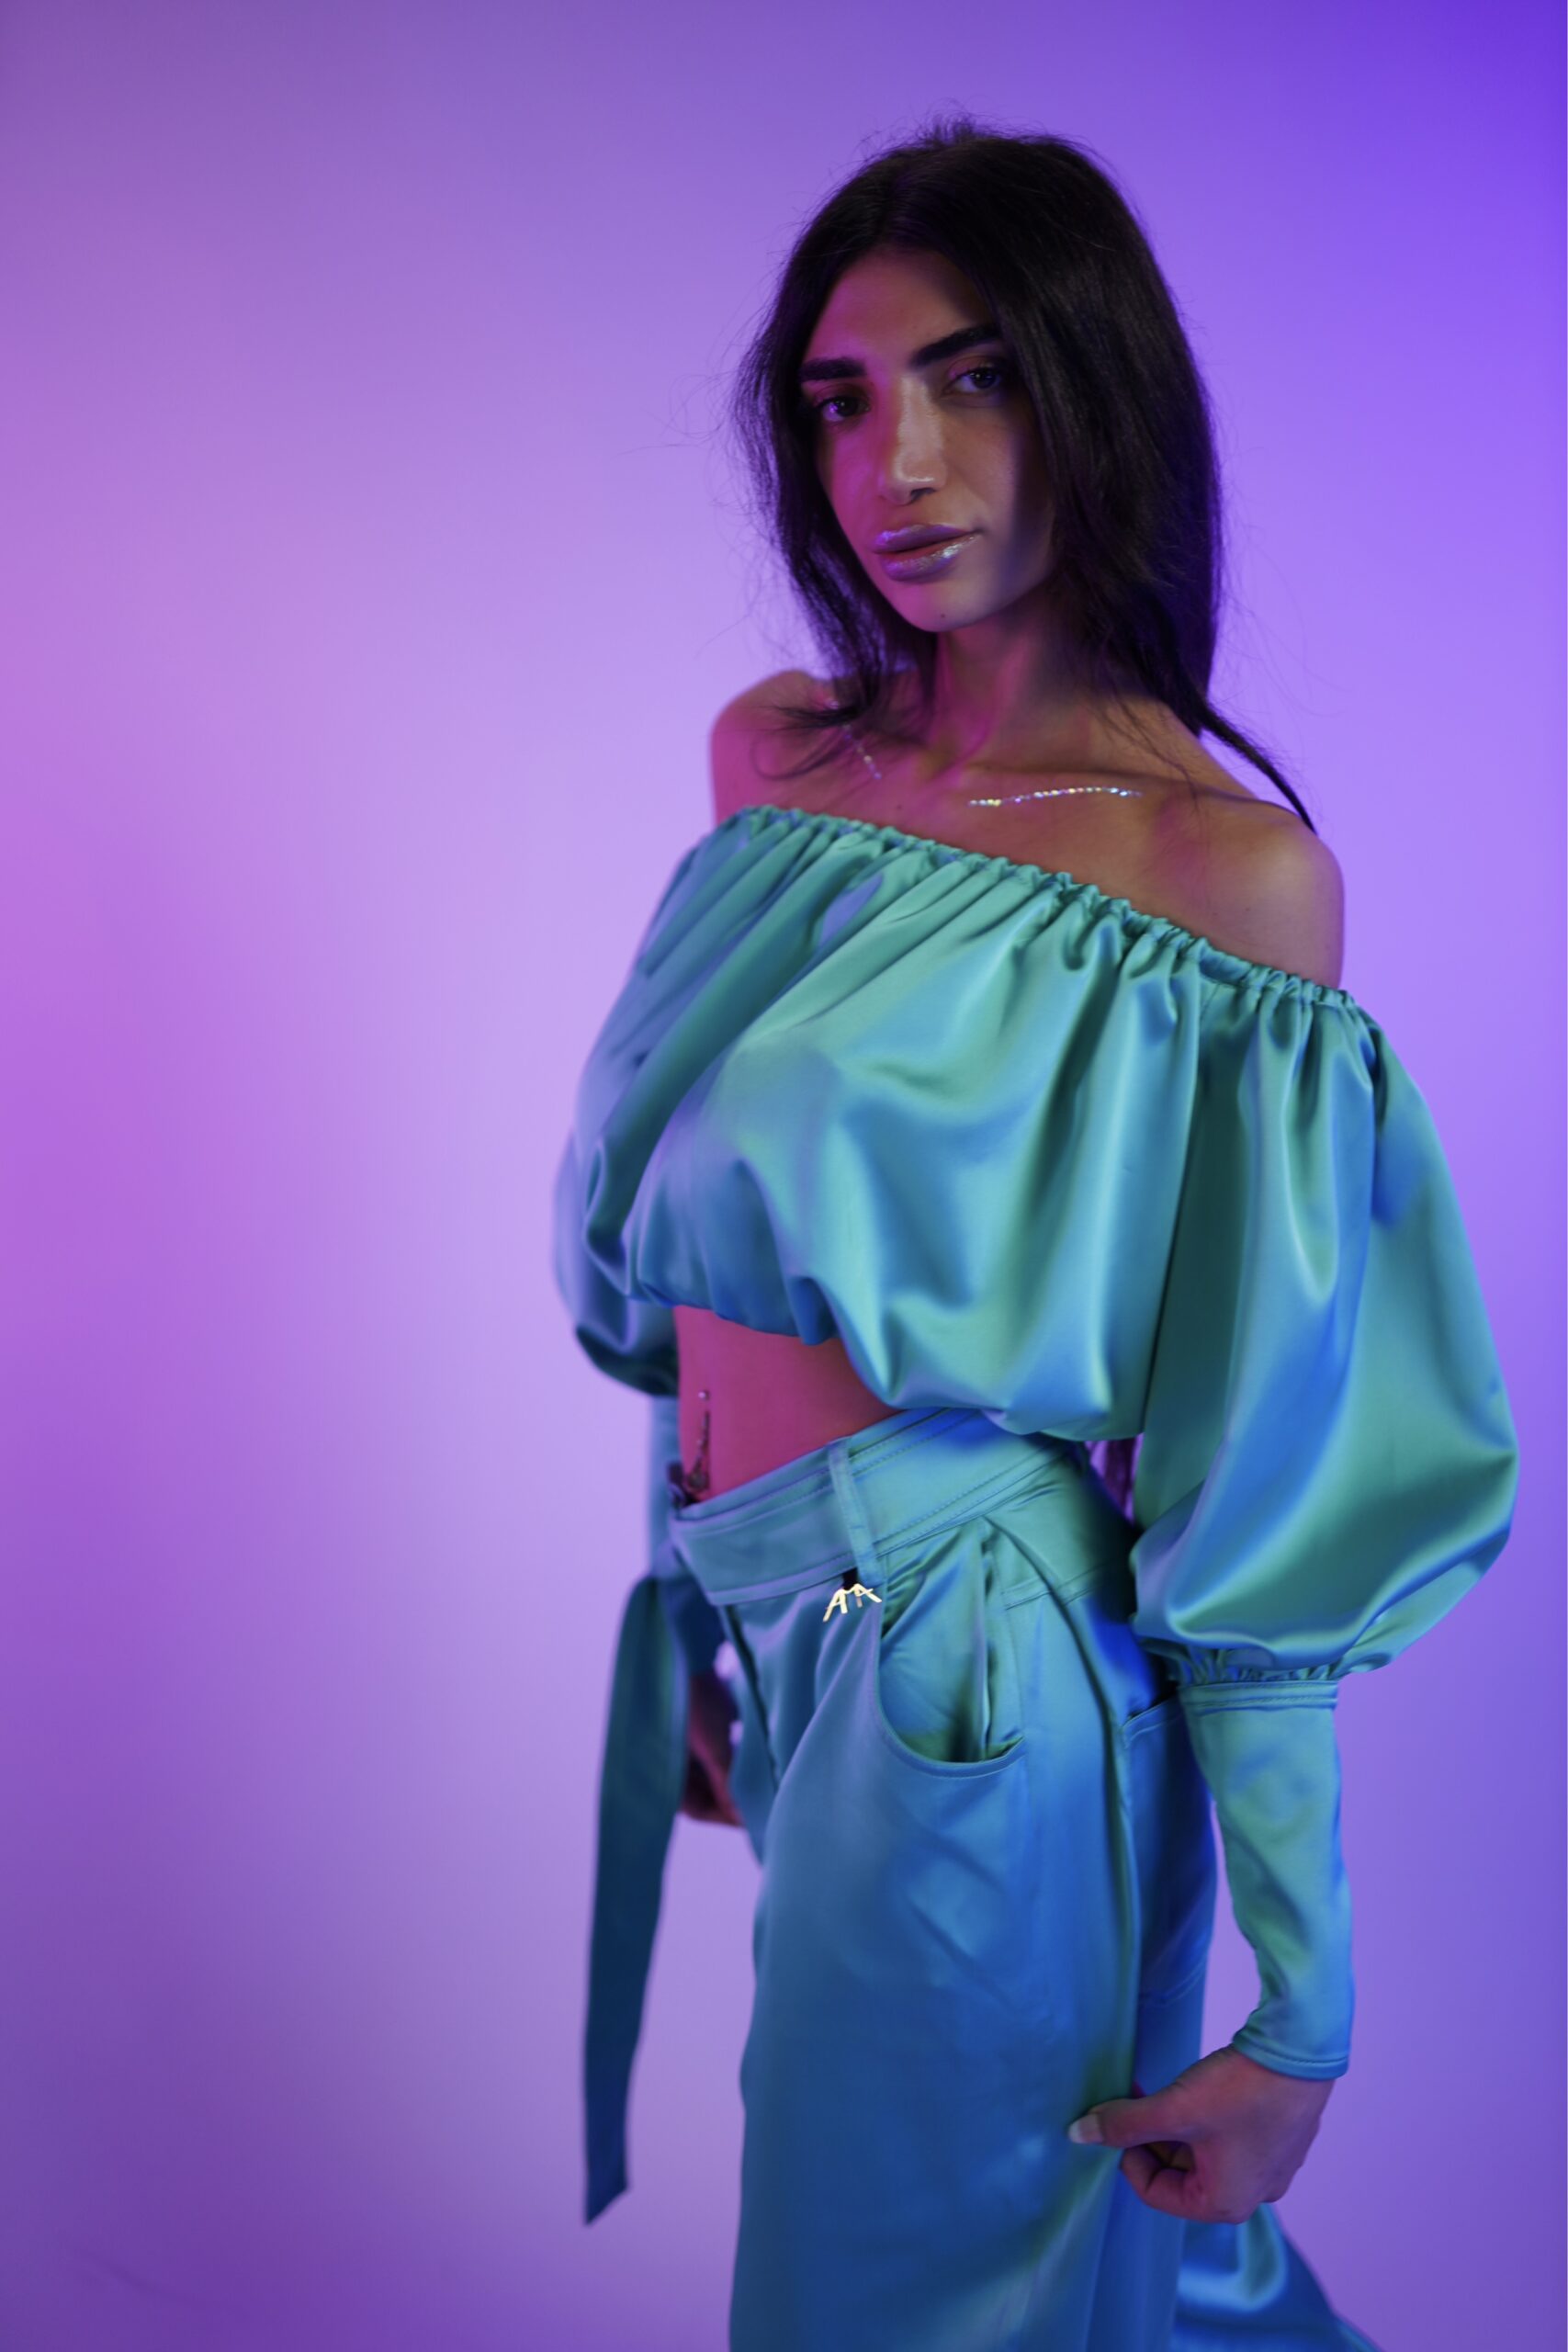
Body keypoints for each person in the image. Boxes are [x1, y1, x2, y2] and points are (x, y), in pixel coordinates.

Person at [551, 117, 1519, 2352]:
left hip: (962, 1659)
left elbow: (1263, 1471)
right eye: (841, 399)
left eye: (971, 377)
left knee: (907, 2306)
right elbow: (702, 1253)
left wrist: (1299, 2002)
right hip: (793, 1620)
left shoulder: (1215, 878)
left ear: (1095, 391)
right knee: (1000, 2287)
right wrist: (697, 1616)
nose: (894, 464)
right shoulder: (774, 765)